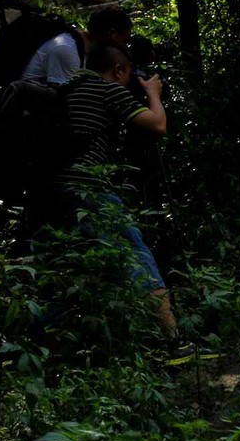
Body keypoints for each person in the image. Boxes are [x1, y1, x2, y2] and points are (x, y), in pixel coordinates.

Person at [53, 42, 175, 333]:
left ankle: (56, 347)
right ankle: (170, 336)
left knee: (64, 265)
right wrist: (153, 93)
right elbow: (157, 125)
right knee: (136, 254)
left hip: (51, 189)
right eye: (128, 73)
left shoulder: (65, 90)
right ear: (119, 70)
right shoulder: (108, 90)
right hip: (89, 187)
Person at [21, 4, 133, 86]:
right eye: (125, 39)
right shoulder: (67, 49)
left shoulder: (82, 49)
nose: (124, 45)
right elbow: (62, 98)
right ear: (112, 34)